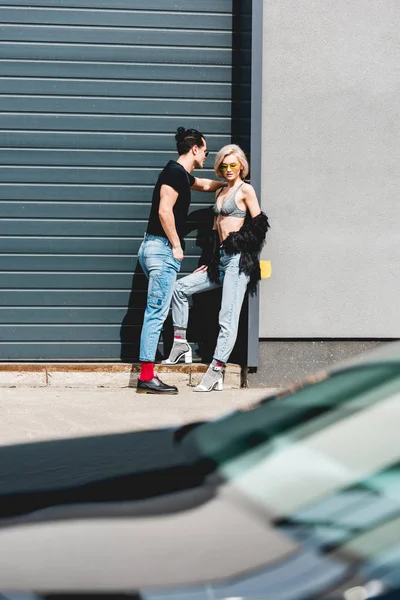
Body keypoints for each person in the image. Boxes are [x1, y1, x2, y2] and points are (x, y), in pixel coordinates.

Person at [162, 144, 270, 391]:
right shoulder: (221, 190)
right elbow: (215, 231)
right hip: (219, 260)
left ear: (241, 166)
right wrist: (210, 261)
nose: (229, 169)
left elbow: (259, 226)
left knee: (227, 317)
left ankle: (216, 371)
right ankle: (180, 343)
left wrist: (238, 245)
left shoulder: (246, 190)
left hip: (237, 260)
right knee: (180, 288)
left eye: (233, 165)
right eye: (224, 165)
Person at [136, 127, 226, 394]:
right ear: (195, 149)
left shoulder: (181, 175)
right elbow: (165, 211)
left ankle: (147, 374)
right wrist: (176, 245)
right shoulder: (174, 174)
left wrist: (231, 185)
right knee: (155, 313)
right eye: (206, 151)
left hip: (152, 247)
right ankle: (146, 377)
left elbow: (205, 184)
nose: (207, 156)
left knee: (154, 311)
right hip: (163, 250)